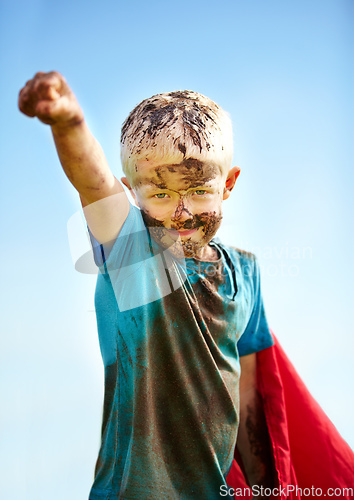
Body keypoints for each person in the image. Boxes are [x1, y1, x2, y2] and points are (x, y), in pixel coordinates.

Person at [19, 72, 353, 500]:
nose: (181, 212)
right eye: (159, 194)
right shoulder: (133, 255)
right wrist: (68, 122)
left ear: (228, 184)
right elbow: (93, 182)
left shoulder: (244, 274)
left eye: (198, 191)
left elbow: (251, 395)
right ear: (132, 194)